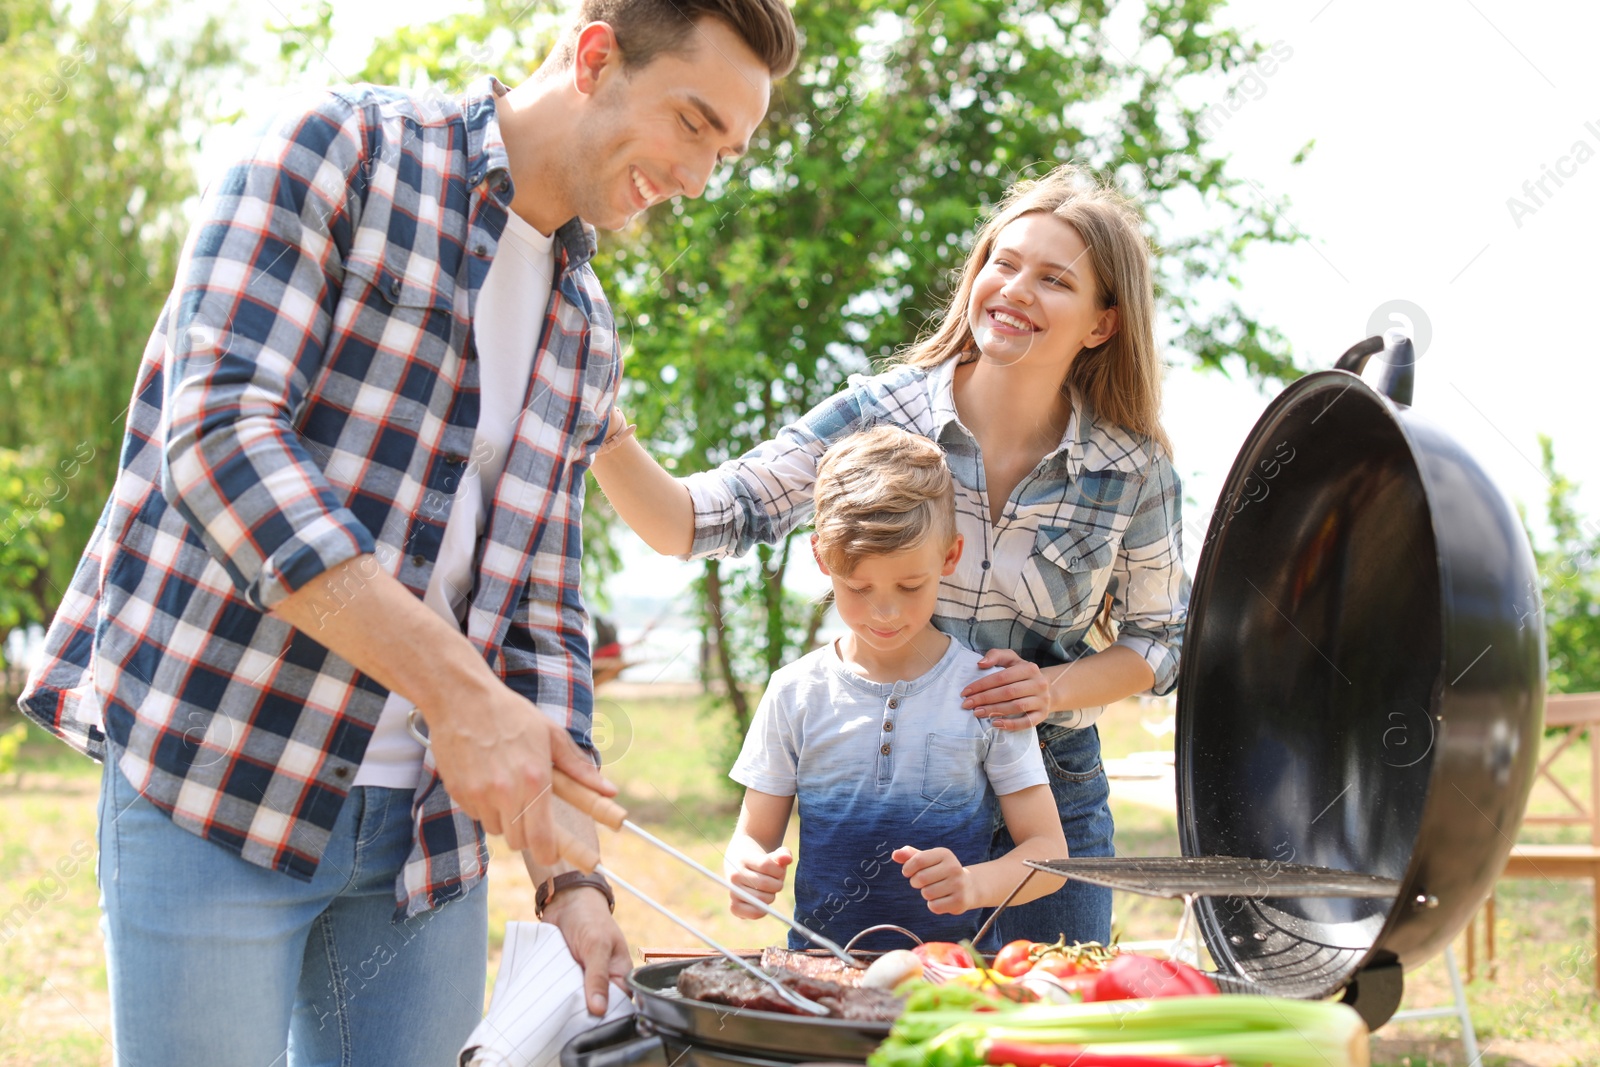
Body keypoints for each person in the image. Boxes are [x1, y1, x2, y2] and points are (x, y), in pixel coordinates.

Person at [16, 1, 797, 1062]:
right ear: (595, 54)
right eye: (692, 122)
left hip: (423, 846)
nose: (701, 176)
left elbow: (541, 606)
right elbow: (218, 442)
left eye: (728, 150)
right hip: (217, 778)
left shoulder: (586, 329)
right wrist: (461, 696)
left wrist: (569, 875)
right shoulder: (337, 148)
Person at [590, 164, 1188, 946]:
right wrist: (594, 415)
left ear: (1102, 324)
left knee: (1043, 1032)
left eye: (1053, 279)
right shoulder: (881, 415)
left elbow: (1161, 639)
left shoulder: (1132, 469)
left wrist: (1051, 688)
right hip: (900, 791)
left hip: (1050, 801)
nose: (1013, 289)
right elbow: (695, 520)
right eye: (1001, 263)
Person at [723, 427, 1067, 950]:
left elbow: (1049, 856)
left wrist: (974, 884)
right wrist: (745, 871)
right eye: (858, 588)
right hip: (821, 985)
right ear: (821, 559)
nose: (885, 612)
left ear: (950, 557)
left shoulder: (986, 692)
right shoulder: (794, 692)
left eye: (910, 587)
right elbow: (752, 836)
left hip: (948, 987)